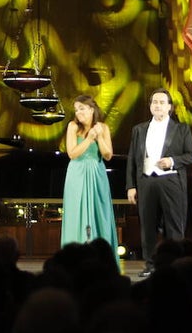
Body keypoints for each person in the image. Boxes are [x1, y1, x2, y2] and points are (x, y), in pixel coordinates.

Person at [126, 87, 192, 277]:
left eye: (161, 102)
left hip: (171, 181)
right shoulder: (139, 130)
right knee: (147, 226)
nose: (157, 105)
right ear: (150, 106)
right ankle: (150, 264)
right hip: (147, 182)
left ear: (169, 107)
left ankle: (175, 266)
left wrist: (172, 161)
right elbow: (132, 158)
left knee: (174, 226)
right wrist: (131, 186)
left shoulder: (181, 129)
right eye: (154, 102)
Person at [60, 95, 118, 261]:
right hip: (77, 173)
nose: (78, 112)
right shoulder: (72, 127)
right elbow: (72, 153)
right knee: (76, 213)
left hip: (97, 172)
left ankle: (101, 256)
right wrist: (89, 138)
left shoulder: (103, 127)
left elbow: (108, 155)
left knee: (100, 211)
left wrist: (99, 136)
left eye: (82, 108)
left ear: (92, 109)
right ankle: (75, 257)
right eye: (77, 109)